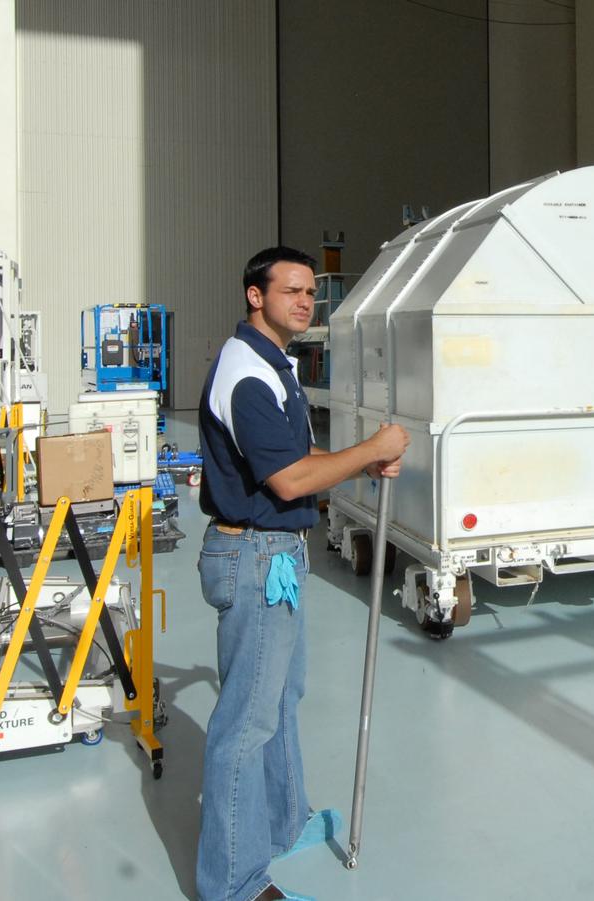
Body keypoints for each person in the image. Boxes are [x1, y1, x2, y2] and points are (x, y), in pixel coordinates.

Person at [195, 246, 409, 901]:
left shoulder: (272, 363)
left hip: (278, 556)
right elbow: (288, 479)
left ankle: (283, 822)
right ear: (255, 295)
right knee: (245, 726)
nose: (304, 301)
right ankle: (234, 883)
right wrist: (371, 447)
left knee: (281, 700)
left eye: (310, 291)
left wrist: (358, 461)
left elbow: (293, 453)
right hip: (254, 556)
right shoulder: (247, 374)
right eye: (290, 290)